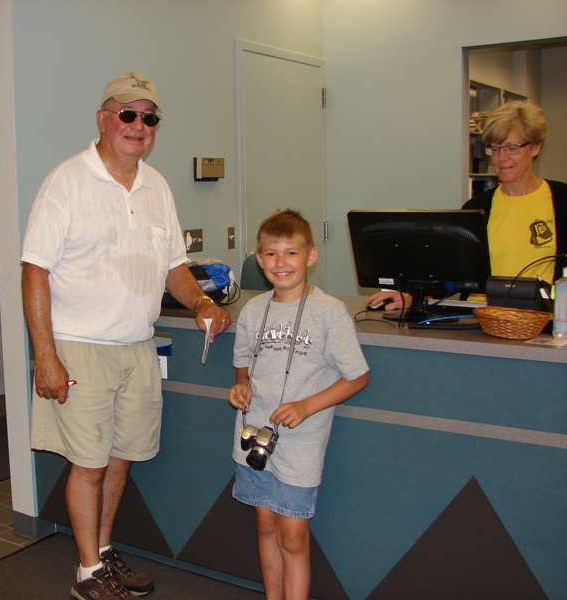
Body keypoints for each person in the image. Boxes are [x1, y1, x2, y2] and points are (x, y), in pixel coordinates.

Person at [21, 71, 231, 600]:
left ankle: (103, 552)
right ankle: (87, 573)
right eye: (128, 114)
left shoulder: (157, 186)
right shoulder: (67, 182)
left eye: (149, 117)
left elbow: (173, 267)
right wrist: (46, 356)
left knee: (120, 459)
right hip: (80, 348)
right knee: (89, 465)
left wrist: (202, 302)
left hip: (137, 347)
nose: (139, 125)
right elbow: (34, 271)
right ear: (103, 118)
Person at [228, 210, 369, 600]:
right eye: (271, 254)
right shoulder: (253, 310)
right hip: (253, 438)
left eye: (291, 253)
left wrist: (307, 406)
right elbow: (243, 364)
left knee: (292, 536)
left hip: (301, 444)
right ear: (260, 260)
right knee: (265, 525)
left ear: (310, 256)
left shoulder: (328, 312)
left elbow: (357, 376)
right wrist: (241, 386)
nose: (281, 263)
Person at [366, 100, 567, 311]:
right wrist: (412, 296)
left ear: (535, 147)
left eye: (511, 148)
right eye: (495, 149)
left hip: (540, 321)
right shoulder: (477, 208)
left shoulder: (561, 200)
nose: (502, 158)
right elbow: (451, 274)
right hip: (479, 317)